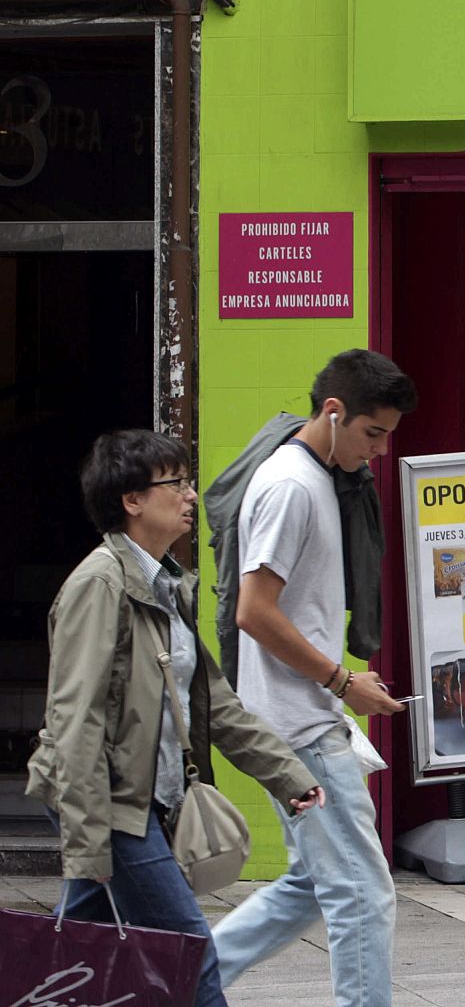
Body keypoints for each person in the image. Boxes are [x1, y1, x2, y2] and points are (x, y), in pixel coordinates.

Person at [26, 430, 323, 1007]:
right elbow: (75, 720)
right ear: (131, 501)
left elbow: (217, 705)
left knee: (71, 960)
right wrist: (88, 842)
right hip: (116, 806)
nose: (189, 495)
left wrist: (286, 774)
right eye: (175, 483)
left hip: (153, 802)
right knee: (190, 955)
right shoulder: (100, 585)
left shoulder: (164, 586)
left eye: (186, 481)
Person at [210, 349, 417, 1007]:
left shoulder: (318, 478)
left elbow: (289, 611)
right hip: (301, 725)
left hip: (301, 715)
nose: (378, 453)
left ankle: (182, 978)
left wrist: (343, 675)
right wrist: (340, 681)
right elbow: (254, 612)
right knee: (362, 892)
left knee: (315, 885)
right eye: (372, 434)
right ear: (333, 413)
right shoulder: (292, 486)